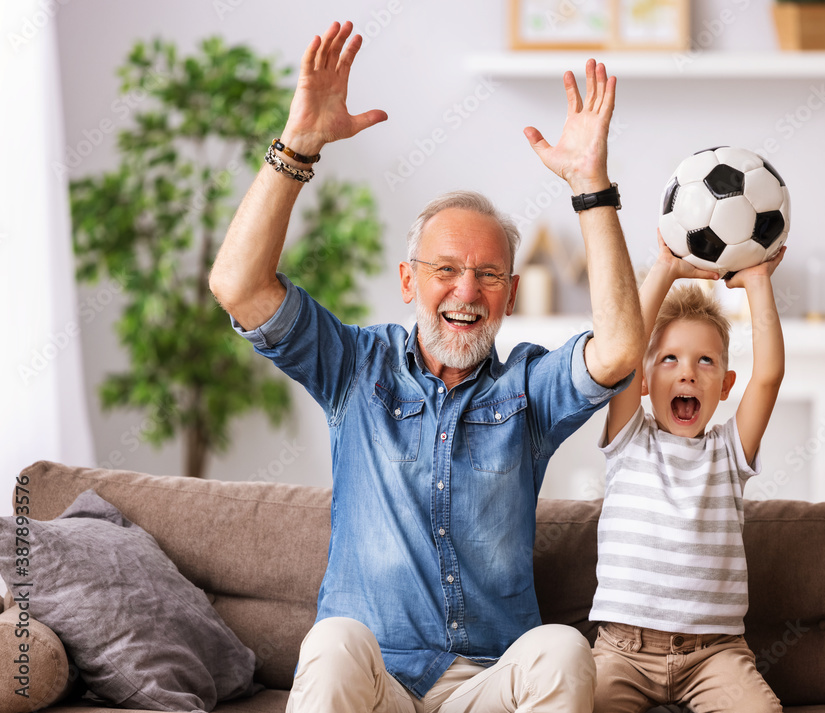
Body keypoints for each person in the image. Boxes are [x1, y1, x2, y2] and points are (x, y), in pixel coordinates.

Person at [208, 20, 644, 713]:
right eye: (447, 270)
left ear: (510, 291)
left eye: (488, 274)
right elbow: (238, 284)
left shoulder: (527, 389)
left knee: (563, 648)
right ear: (409, 282)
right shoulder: (354, 365)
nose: (467, 291)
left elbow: (620, 349)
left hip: (487, 687)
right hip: (378, 682)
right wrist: (297, 147)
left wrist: (591, 186)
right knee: (330, 641)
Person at [589, 238, 787, 713]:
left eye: (706, 361)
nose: (688, 374)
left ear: (724, 385)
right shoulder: (629, 437)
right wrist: (665, 270)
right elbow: (620, 349)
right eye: (669, 359)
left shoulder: (728, 451)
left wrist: (758, 284)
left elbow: (770, 376)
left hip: (713, 654)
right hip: (622, 653)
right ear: (641, 378)